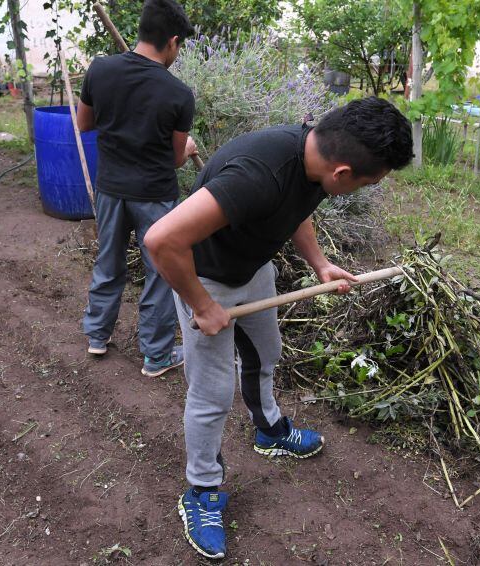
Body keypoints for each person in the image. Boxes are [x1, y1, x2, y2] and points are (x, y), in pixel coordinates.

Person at [144, 97, 413, 559]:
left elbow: (297, 208)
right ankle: (202, 490)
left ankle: (268, 429)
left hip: (253, 272)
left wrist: (321, 264)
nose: (360, 189)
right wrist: (204, 305)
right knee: (211, 393)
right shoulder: (257, 174)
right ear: (343, 173)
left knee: (266, 355)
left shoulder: (312, 162)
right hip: (203, 278)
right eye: (368, 182)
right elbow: (161, 240)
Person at [76, 0, 196, 377]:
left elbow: (84, 124)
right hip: (155, 195)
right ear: (173, 41)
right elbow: (177, 159)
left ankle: (97, 335)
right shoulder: (178, 94)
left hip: (111, 188)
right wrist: (189, 148)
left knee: (108, 261)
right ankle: (157, 355)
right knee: (160, 271)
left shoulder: (101, 70)